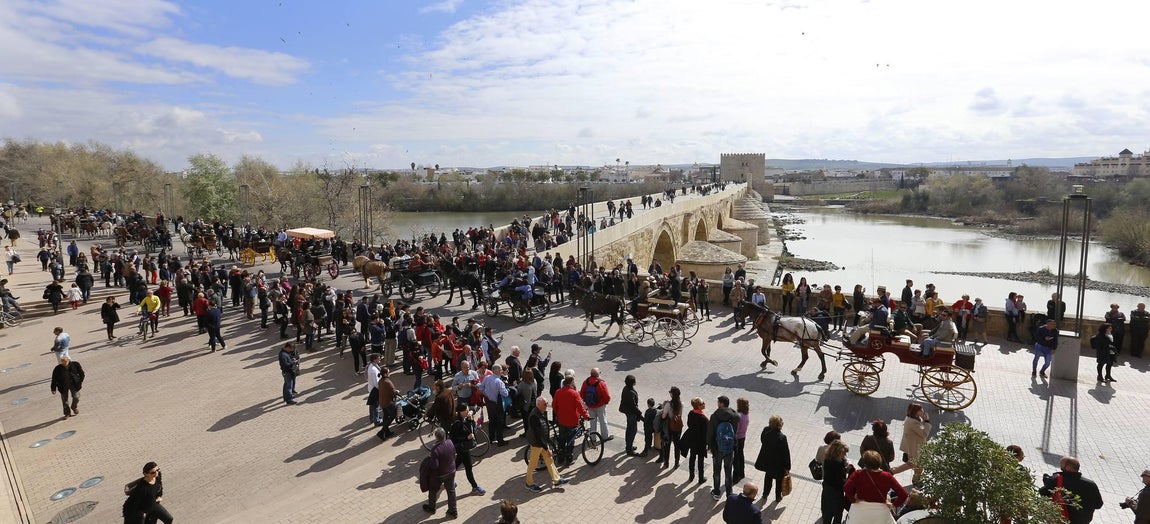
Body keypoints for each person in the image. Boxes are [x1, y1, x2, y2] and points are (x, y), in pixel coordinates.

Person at [844, 450, 908, 523]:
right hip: (880, 511)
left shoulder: (858, 474)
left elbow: (847, 487)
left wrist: (853, 499)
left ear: (865, 463)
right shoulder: (887, 476)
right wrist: (893, 505)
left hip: (860, 510)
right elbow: (904, 494)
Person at [524, 397, 570, 492]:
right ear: (539, 405)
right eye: (545, 404)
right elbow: (538, 434)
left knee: (549, 460)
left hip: (542, 443)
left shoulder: (541, 413)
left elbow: (544, 430)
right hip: (537, 444)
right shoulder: (534, 416)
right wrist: (546, 447)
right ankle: (529, 483)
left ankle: (557, 480)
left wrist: (547, 443)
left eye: (547, 403)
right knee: (533, 464)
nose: (547, 405)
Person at [1040, 456, 1103, 523]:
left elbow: (1043, 493)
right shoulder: (1091, 484)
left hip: (1061, 520)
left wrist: (1048, 482)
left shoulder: (1057, 479)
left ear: (1067, 467)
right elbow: (1099, 505)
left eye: (1061, 464)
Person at [753, 415, 791, 503]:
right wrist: (787, 467)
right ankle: (778, 497)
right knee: (778, 481)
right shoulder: (782, 437)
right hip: (778, 464)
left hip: (767, 461)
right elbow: (785, 453)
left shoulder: (766, 432)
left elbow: (762, 439)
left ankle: (765, 494)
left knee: (768, 477)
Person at [449, 403, 484, 496]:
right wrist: (466, 438)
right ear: (460, 412)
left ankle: (447, 480)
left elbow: (470, 429)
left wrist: (471, 420)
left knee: (456, 464)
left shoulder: (464, 419)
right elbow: (455, 437)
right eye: (466, 410)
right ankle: (475, 487)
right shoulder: (457, 423)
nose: (468, 412)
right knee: (468, 467)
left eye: (468, 410)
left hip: (464, 447)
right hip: (462, 447)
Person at [552, 376, 589, 466]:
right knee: (570, 440)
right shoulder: (574, 393)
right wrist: (586, 415)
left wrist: (559, 413)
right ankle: (569, 458)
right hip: (572, 420)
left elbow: (554, 405)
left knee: (561, 438)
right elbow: (580, 407)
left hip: (561, 420)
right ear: (571, 382)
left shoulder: (558, 392)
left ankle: (560, 458)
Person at [709, 395, 740, 500]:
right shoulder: (734, 416)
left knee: (716, 471)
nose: (717, 404)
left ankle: (717, 492)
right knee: (728, 471)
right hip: (730, 448)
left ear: (721, 403)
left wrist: (710, 446)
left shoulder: (714, 416)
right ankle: (729, 493)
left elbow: (710, 434)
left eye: (718, 402)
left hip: (718, 448)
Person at [422, 427, 457, 517]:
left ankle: (431, 507)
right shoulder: (450, 442)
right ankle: (453, 510)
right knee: (451, 491)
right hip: (451, 470)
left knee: (433, 490)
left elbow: (434, 465)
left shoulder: (435, 449)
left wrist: (430, 459)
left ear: (436, 437)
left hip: (441, 474)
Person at [892, 403, 931, 484]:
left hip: (914, 446)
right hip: (914, 448)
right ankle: (892, 472)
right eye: (920, 410)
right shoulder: (913, 422)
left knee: (915, 465)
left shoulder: (914, 418)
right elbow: (924, 434)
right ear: (915, 412)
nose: (922, 411)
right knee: (915, 465)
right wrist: (927, 421)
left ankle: (915, 480)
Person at [821, 439, 853, 524]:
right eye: (844, 453)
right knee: (838, 513)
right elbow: (839, 480)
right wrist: (849, 480)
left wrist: (845, 470)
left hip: (827, 488)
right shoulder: (837, 463)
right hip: (835, 491)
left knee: (828, 511)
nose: (845, 455)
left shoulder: (829, 458)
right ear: (838, 452)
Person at [579, 367, 612, 441]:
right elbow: (607, 396)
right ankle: (605, 436)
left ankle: (593, 438)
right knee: (603, 421)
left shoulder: (586, 382)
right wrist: (605, 402)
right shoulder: (601, 383)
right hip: (600, 405)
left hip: (590, 405)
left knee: (592, 422)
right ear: (598, 374)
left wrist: (586, 401)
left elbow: (581, 393)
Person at [481, 363, 510, 446]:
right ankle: (500, 440)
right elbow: (505, 394)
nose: (501, 371)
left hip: (489, 402)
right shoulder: (499, 381)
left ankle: (491, 438)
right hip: (497, 403)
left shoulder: (487, 378)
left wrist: (486, 394)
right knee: (499, 422)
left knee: (492, 421)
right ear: (496, 371)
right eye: (500, 369)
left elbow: (481, 387)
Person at [682, 397, 709, 485]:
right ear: (698, 406)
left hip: (692, 440)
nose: (704, 404)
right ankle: (701, 478)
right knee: (700, 460)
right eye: (702, 403)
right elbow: (706, 431)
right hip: (700, 442)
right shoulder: (703, 418)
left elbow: (689, 425)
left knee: (692, 457)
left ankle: (691, 476)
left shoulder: (691, 413)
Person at [660, 386, 684, 470]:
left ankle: (666, 463)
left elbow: (663, 416)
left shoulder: (668, 404)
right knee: (677, 445)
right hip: (678, 426)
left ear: (672, 394)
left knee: (667, 444)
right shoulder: (681, 404)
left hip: (669, 427)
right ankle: (676, 463)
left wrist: (663, 409)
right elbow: (680, 414)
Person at [619, 374, 642, 456]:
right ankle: (629, 449)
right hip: (631, 413)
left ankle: (629, 446)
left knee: (629, 429)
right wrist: (639, 413)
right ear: (633, 383)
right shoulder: (630, 392)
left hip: (628, 412)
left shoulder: (626, 388)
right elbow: (633, 406)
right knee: (632, 430)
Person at [376, 366, 397, 441]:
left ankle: (387, 431)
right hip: (388, 402)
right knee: (392, 415)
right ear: (385, 374)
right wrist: (396, 392)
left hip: (382, 402)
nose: (389, 373)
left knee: (386, 415)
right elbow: (393, 392)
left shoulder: (381, 381)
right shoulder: (388, 382)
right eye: (388, 372)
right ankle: (382, 432)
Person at [733, 398, 750, 481]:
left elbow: (736, 428)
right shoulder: (746, 415)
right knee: (741, 454)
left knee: (735, 457)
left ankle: (735, 476)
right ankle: (741, 473)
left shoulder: (739, 415)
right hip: (743, 437)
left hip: (737, 438)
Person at [365, 354, 382, 426]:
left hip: (371, 388)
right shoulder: (374, 370)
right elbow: (376, 383)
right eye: (378, 359)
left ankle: (372, 418)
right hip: (374, 390)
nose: (380, 360)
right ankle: (377, 421)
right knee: (376, 406)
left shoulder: (371, 366)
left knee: (372, 404)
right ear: (375, 360)